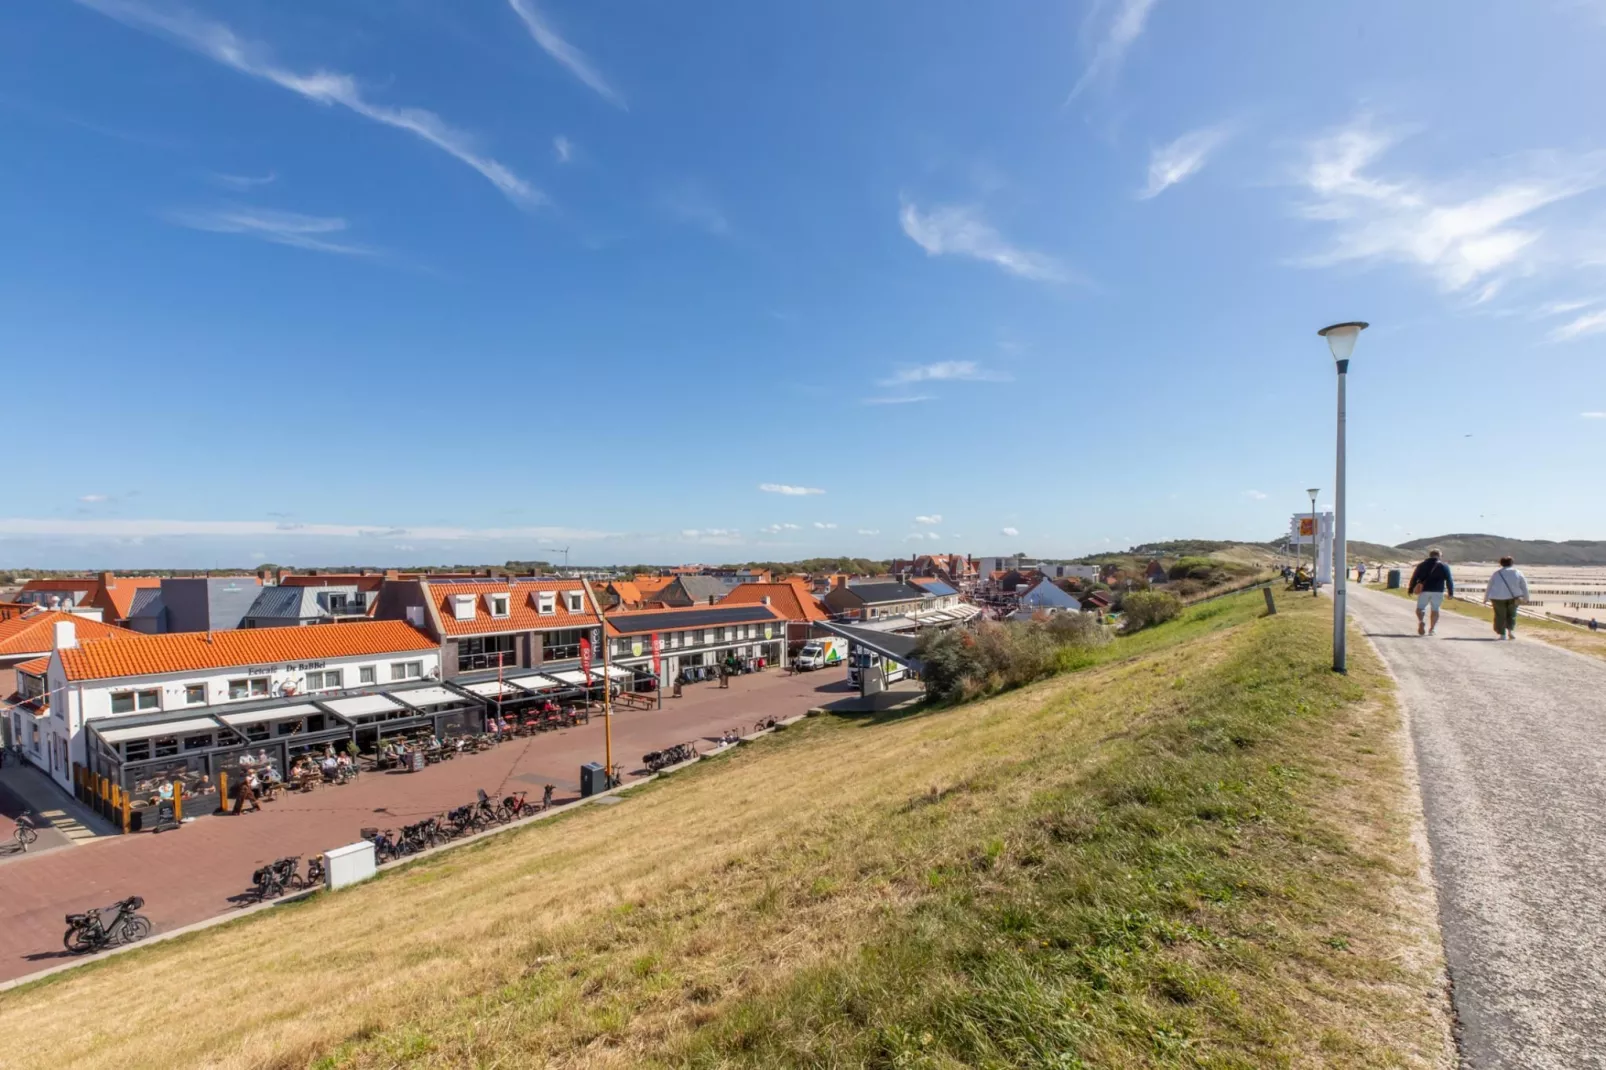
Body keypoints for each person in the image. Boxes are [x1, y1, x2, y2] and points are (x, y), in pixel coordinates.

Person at [1408, 548, 1455, 636]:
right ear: (1439, 556)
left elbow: (1414, 577)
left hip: (1424, 590)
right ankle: (1432, 629)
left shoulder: (1421, 565)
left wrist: (1411, 589)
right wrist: (1451, 592)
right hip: (1438, 591)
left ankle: (1421, 621)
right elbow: (1449, 580)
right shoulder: (1444, 566)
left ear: (1430, 555)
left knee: (1420, 608)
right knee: (1435, 610)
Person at [1482, 556, 1529, 640]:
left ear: (1501, 563)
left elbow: (1490, 586)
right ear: (1512, 563)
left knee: (1500, 615)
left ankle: (1502, 634)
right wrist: (1526, 597)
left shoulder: (1496, 573)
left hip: (1497, 597)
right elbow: (1524, 586)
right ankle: (1510, 632)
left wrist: (1486, 598)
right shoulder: (1517, 572)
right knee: (1512, 614)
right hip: (1513, 597)